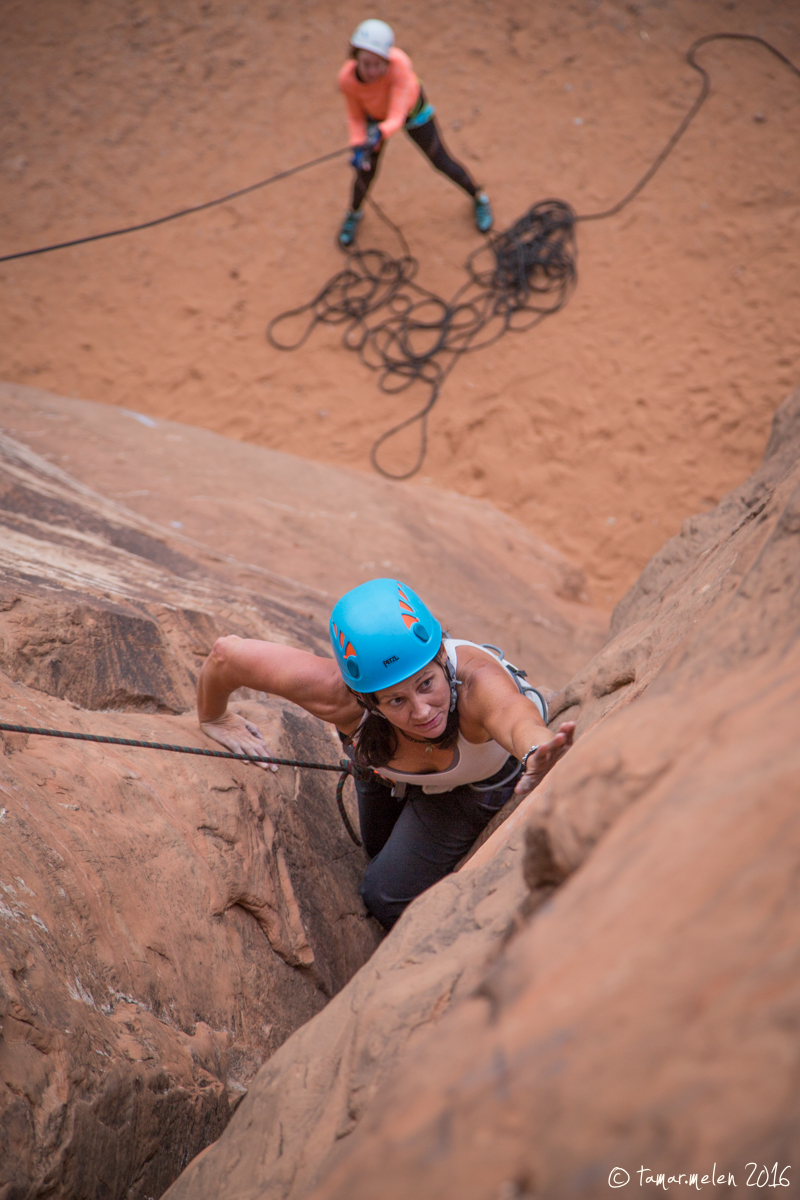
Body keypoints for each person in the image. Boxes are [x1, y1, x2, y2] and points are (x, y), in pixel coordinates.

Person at [197, 578, 574, 930]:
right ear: (366, 700)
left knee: (385, 892)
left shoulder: (476, 685)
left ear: (442, 656)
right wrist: (214, 717)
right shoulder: (339, 698)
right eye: (397, 700)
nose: (423, 711)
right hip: (385, 770)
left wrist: (535, 748)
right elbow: (226, 656)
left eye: (427, 684)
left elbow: (512, 716)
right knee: (374, 850)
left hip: (473, 783)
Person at [336, 19, 494, 248]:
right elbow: (355, 116)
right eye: (366, 64)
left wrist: (379, 133)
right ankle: (354, 213)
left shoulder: (400, 65)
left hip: (411, 111)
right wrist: (359, 143)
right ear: (355, 59)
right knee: (365, 173)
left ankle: (479, 197)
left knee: (441, 160)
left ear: (387, 60)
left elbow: (397, 115)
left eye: (378, 65)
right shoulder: (347, 79)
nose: (372, 71)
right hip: (376, 117)